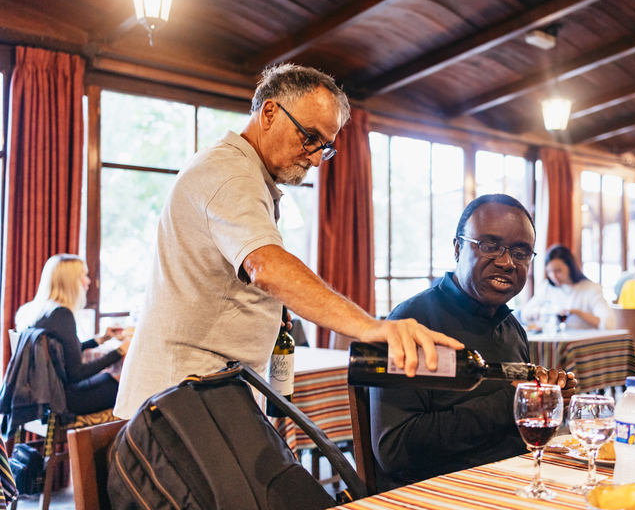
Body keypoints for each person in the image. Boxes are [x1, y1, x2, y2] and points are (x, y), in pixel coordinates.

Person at [114, 64, 462, 418]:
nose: (314, 158)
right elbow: (265, 265)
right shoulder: (228, 171)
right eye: (309, 137)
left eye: (324, 147)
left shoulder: (248, 175)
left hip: (207, 397)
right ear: (269, 113)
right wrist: (370, 326)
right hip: (177, 404)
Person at [369, 194, 577, 491]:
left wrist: (545, 399)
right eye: (490, 246)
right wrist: (510, 402)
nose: (507, 262)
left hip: (513, 483)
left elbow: (515, 427)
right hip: (441, 493)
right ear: (457, 248)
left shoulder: (511, 327)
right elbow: (394, 450)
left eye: (521, 253)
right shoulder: (411, 323)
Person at [14, 254, 130, 415]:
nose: (88, 281)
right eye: (84, 275)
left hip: (43, 396)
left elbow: (63, 354)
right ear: (71, 281)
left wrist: (101, 339)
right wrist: (120, 351)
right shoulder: (62, 314)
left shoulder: (31, 311)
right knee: (128, 383)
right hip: (67, 400)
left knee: (111, 375)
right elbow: (76, 373)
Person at [521, 244, 616, 330]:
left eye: (558, 271)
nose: (553, 276)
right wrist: (541, 312)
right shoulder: (548, 288)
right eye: (549, 272)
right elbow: (525, 314)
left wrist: (577, 313)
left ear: (570, 267)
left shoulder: (590, 289)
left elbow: (609, 324)